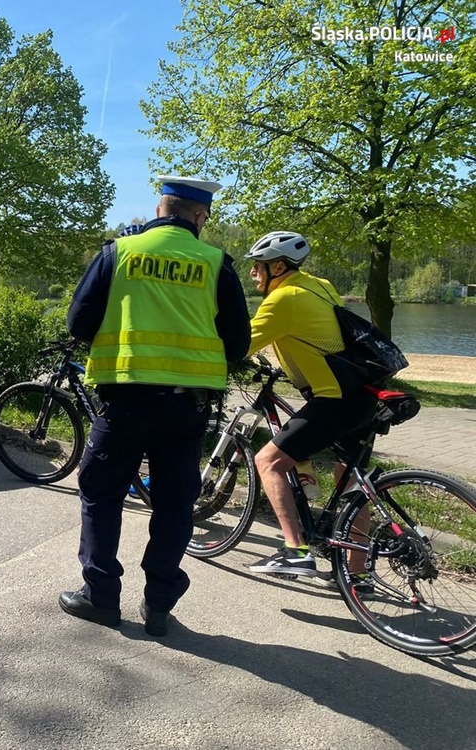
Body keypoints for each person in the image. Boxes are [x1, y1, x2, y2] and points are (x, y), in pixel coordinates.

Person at [59, 176, 251, 636]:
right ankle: (160, 604)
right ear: (199, 216)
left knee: (102, 495)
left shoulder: (117, 253)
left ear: (161, 208)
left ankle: (101, 596)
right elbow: (239, 344)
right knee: (174, 504)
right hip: (187, 409)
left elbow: (78, 323)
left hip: (124, 399)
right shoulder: (216, 263)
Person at [242, 231, 378, 579]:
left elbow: (239, 345)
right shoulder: (320, 284)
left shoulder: (282, 299)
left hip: (333, 399)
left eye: (258, 267)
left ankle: (295, 551)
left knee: (267, 461)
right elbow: (317, 333)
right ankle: (357, 575)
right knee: (351, 482)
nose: (253, 274)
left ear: (278, 266)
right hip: (363, 394)